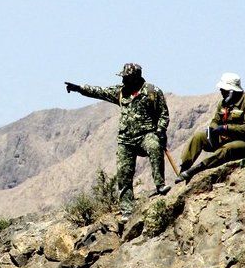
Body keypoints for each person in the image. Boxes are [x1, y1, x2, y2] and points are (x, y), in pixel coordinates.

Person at [65, 63, 171, 214]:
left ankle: (160, 185)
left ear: (135, 77)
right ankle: (127, 209)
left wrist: (161, 130)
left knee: (154, 148)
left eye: (126, 78)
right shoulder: (121, 92)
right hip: (126, 140)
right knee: (123, 173)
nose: (123, 81)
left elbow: (163, 113)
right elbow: (99, 91)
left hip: (146, 134)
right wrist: (79, 88)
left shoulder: (152, 91)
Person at [177, 72, 245, 182]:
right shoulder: (223, 103)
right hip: (224, 138)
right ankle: (184, 169)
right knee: (198, 136)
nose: (221, 91)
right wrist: (212, 129)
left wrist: (226, 128)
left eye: (223, 89)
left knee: (226, 149)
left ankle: (197, 169)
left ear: (232, 90)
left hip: (244, 143)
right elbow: (216, 120)